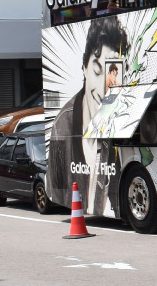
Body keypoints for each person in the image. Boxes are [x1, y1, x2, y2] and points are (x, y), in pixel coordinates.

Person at [48, 16, 129, 215]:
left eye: (111, 71)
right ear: (84, 68)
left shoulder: (120, 118)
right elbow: (57, 188)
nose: (102, 88)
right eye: (96, 69)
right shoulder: (63, 125)